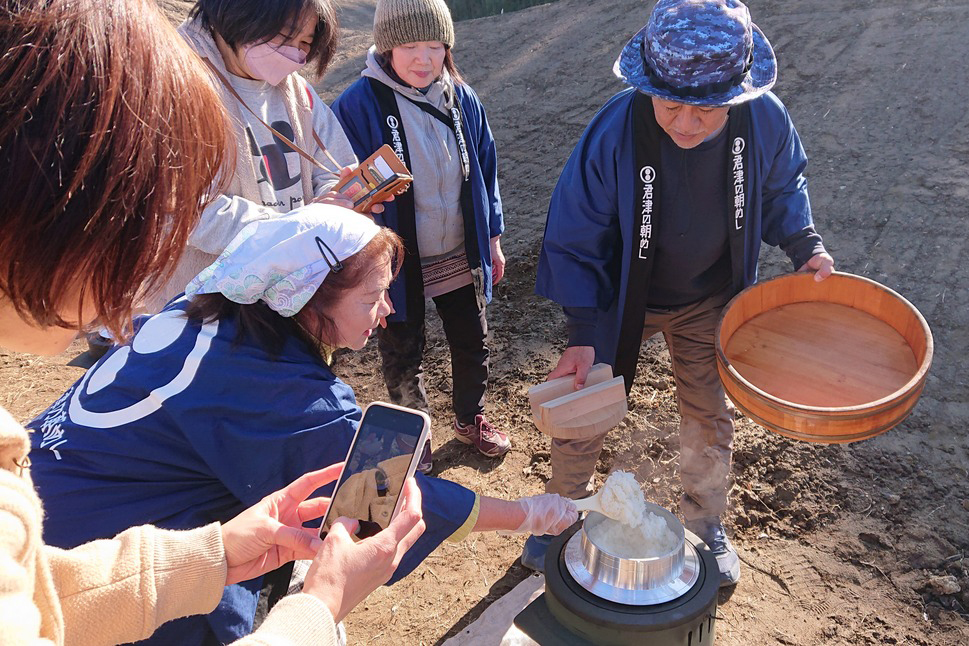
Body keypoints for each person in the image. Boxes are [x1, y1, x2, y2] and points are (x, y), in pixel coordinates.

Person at [0, 1, 426, 644]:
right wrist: (318, 608)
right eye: (131, 224)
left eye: (302, 42)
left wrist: (216, 554)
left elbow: (38, 592)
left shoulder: (296, 96)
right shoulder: (238, 361)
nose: (135, 276)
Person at [27, 207, 579, 644]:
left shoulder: (202, 310)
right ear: (304, 299)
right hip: (82, 564)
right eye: (372, 297)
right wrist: (530, 513)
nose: (387, 310)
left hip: (32, 502)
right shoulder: (285, 398)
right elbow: (397, 501)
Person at [528, 0, 836, 586]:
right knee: (583, 402)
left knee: (706, 413)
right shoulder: (616, 128)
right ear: (648, 86)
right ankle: (560, 513)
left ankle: (705, 521)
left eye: (707, 111)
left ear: (738, 94)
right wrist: (585, 334)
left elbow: (781, 186)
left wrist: (805, 245)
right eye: (671, 106)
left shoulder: (763, 118)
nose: (687, 124)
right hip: (623, 299)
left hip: (711, 296)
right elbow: (575, 230)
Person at [332, 0, 509, 471]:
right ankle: (417, 434)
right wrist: (364, 267)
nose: (423, 58)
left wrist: (491, 237)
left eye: (435, 45)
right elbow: (339, 191)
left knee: (473, 341)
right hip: (396, 263)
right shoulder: (356, 106)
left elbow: (485, 171)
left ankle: (471, 418)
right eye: (409, 45)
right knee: (404, 351)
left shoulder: (462, 99)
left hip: (456, 250)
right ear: (387, 45)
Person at [140, 0, 361, 314]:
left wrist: (338, 202)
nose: (293, 54)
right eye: (285, 36)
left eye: (304, 44)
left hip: (287, 302)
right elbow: (186, 211)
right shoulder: (176, 84)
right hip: (200, 311)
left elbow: (332, 167)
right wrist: (293, 227)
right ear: (242, 12)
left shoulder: (296, 91)